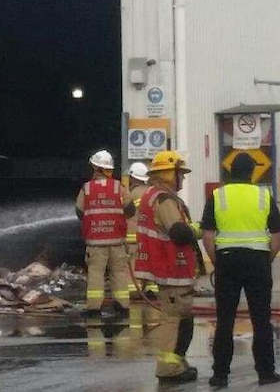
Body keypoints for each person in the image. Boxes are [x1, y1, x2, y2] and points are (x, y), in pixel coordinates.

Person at [200, 153, 280, 389]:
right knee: (261, 318)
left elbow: (207, 236)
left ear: (230, 172)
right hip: (258, 261)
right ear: (251, 172)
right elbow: (278, 233)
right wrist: (267, 259)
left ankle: (220, 376)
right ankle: (266, 372)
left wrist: (217, 262)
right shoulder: (263, 195)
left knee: (225, 320)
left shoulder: (217, 196)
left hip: (227, 261)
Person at [133, 150, 202, 383]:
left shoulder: (154, 195)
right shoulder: (164, 199)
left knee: (181, 319)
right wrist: (200, 229)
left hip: (167, 267)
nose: (182, 179)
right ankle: (169, 369)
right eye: (179, 174)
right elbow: (179, 232)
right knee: (175, 321)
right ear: (168, 174)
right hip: (171, 268)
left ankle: (176, 363)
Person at [75, 149, 135, 318]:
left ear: (95, 168)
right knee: (119, 273)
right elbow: (130, 210)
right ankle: (122, 306)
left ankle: (94, 308)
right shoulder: (119, 187)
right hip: (117, 241)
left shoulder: (86, 188)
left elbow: (79, 212)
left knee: (96, 274)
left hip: (95, 242)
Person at [125, 162, 158, 300]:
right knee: (150, 262)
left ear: (133, 178)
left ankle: (135, 289)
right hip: (151, 237)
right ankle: (152, 288)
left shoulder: (131, 194)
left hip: (133, 237)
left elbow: (125, 214)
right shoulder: (152, 193)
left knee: (134, 265)